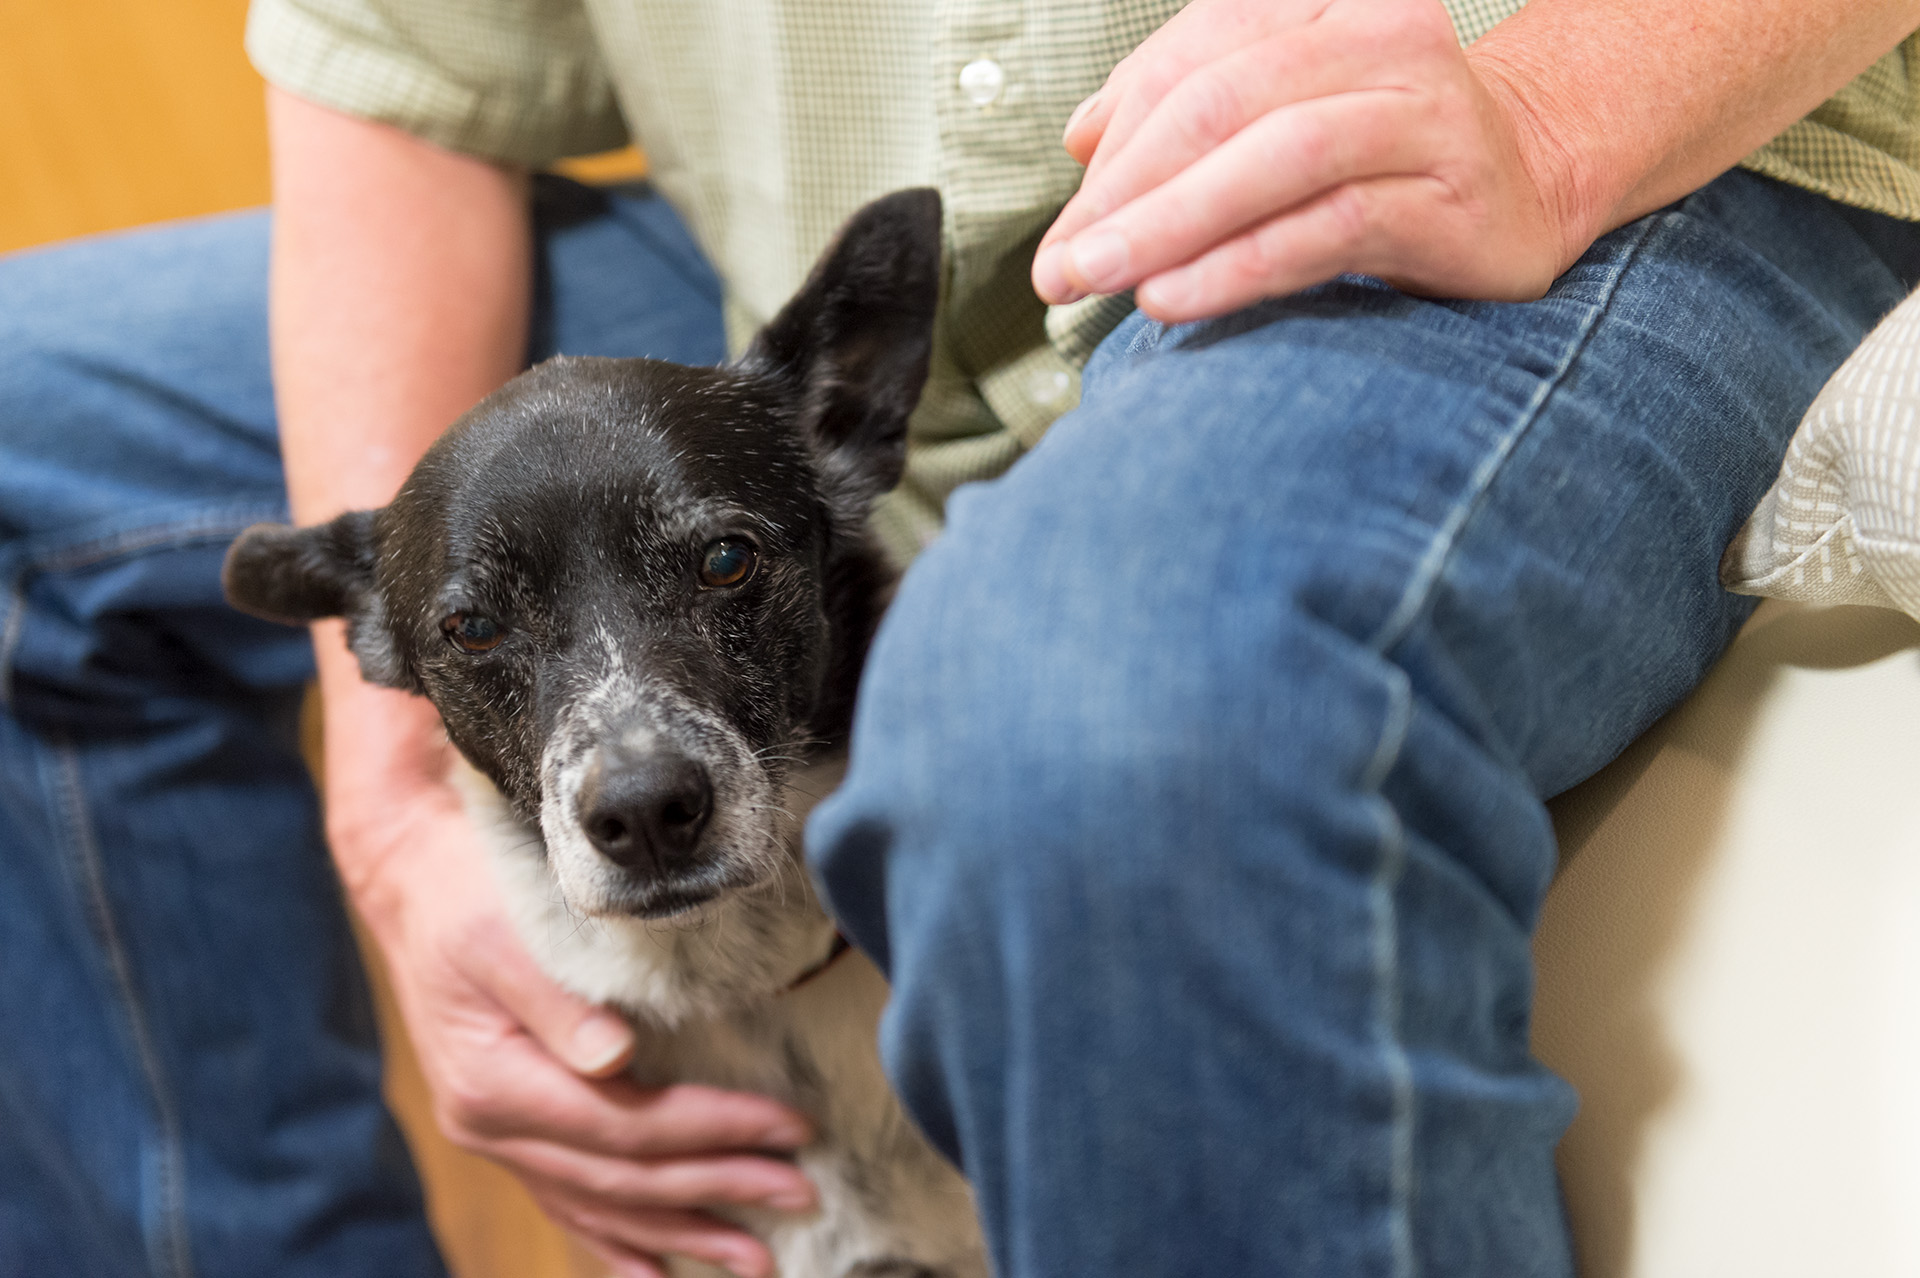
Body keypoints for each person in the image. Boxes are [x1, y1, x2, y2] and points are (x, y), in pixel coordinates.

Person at [4, 0, 1919, 1274]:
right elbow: (395, 49)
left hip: (1533, 166)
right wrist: (399, 777)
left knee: (1093, 714)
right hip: (786, 272)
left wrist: (1558, 106)